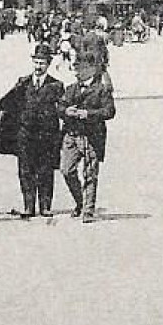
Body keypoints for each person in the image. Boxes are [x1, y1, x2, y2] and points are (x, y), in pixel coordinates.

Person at [2, 43, 64, 218]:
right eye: (36, 62)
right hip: (25, 135)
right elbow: (10, 103)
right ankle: (29, 206)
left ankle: (45, 206)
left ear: (48, 64)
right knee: (26, 171)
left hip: (47, 136)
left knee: (45, 170)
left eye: (42, 63)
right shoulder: (23, 83)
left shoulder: (56, 85)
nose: (38, 67)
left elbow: (62, 109)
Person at [59, 56, 117, 222]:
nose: (76, 73)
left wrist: (89, 114)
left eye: (80, 69)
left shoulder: (102, 90)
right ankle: (80, 201)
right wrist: (65, 111)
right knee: (67, 170)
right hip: (71, 135)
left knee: (90, 173)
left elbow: (110, 111)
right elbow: (60, 106)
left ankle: (88, 210)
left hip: (91, 136)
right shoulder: (71, 89)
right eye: (75, 69)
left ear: (91, 70)